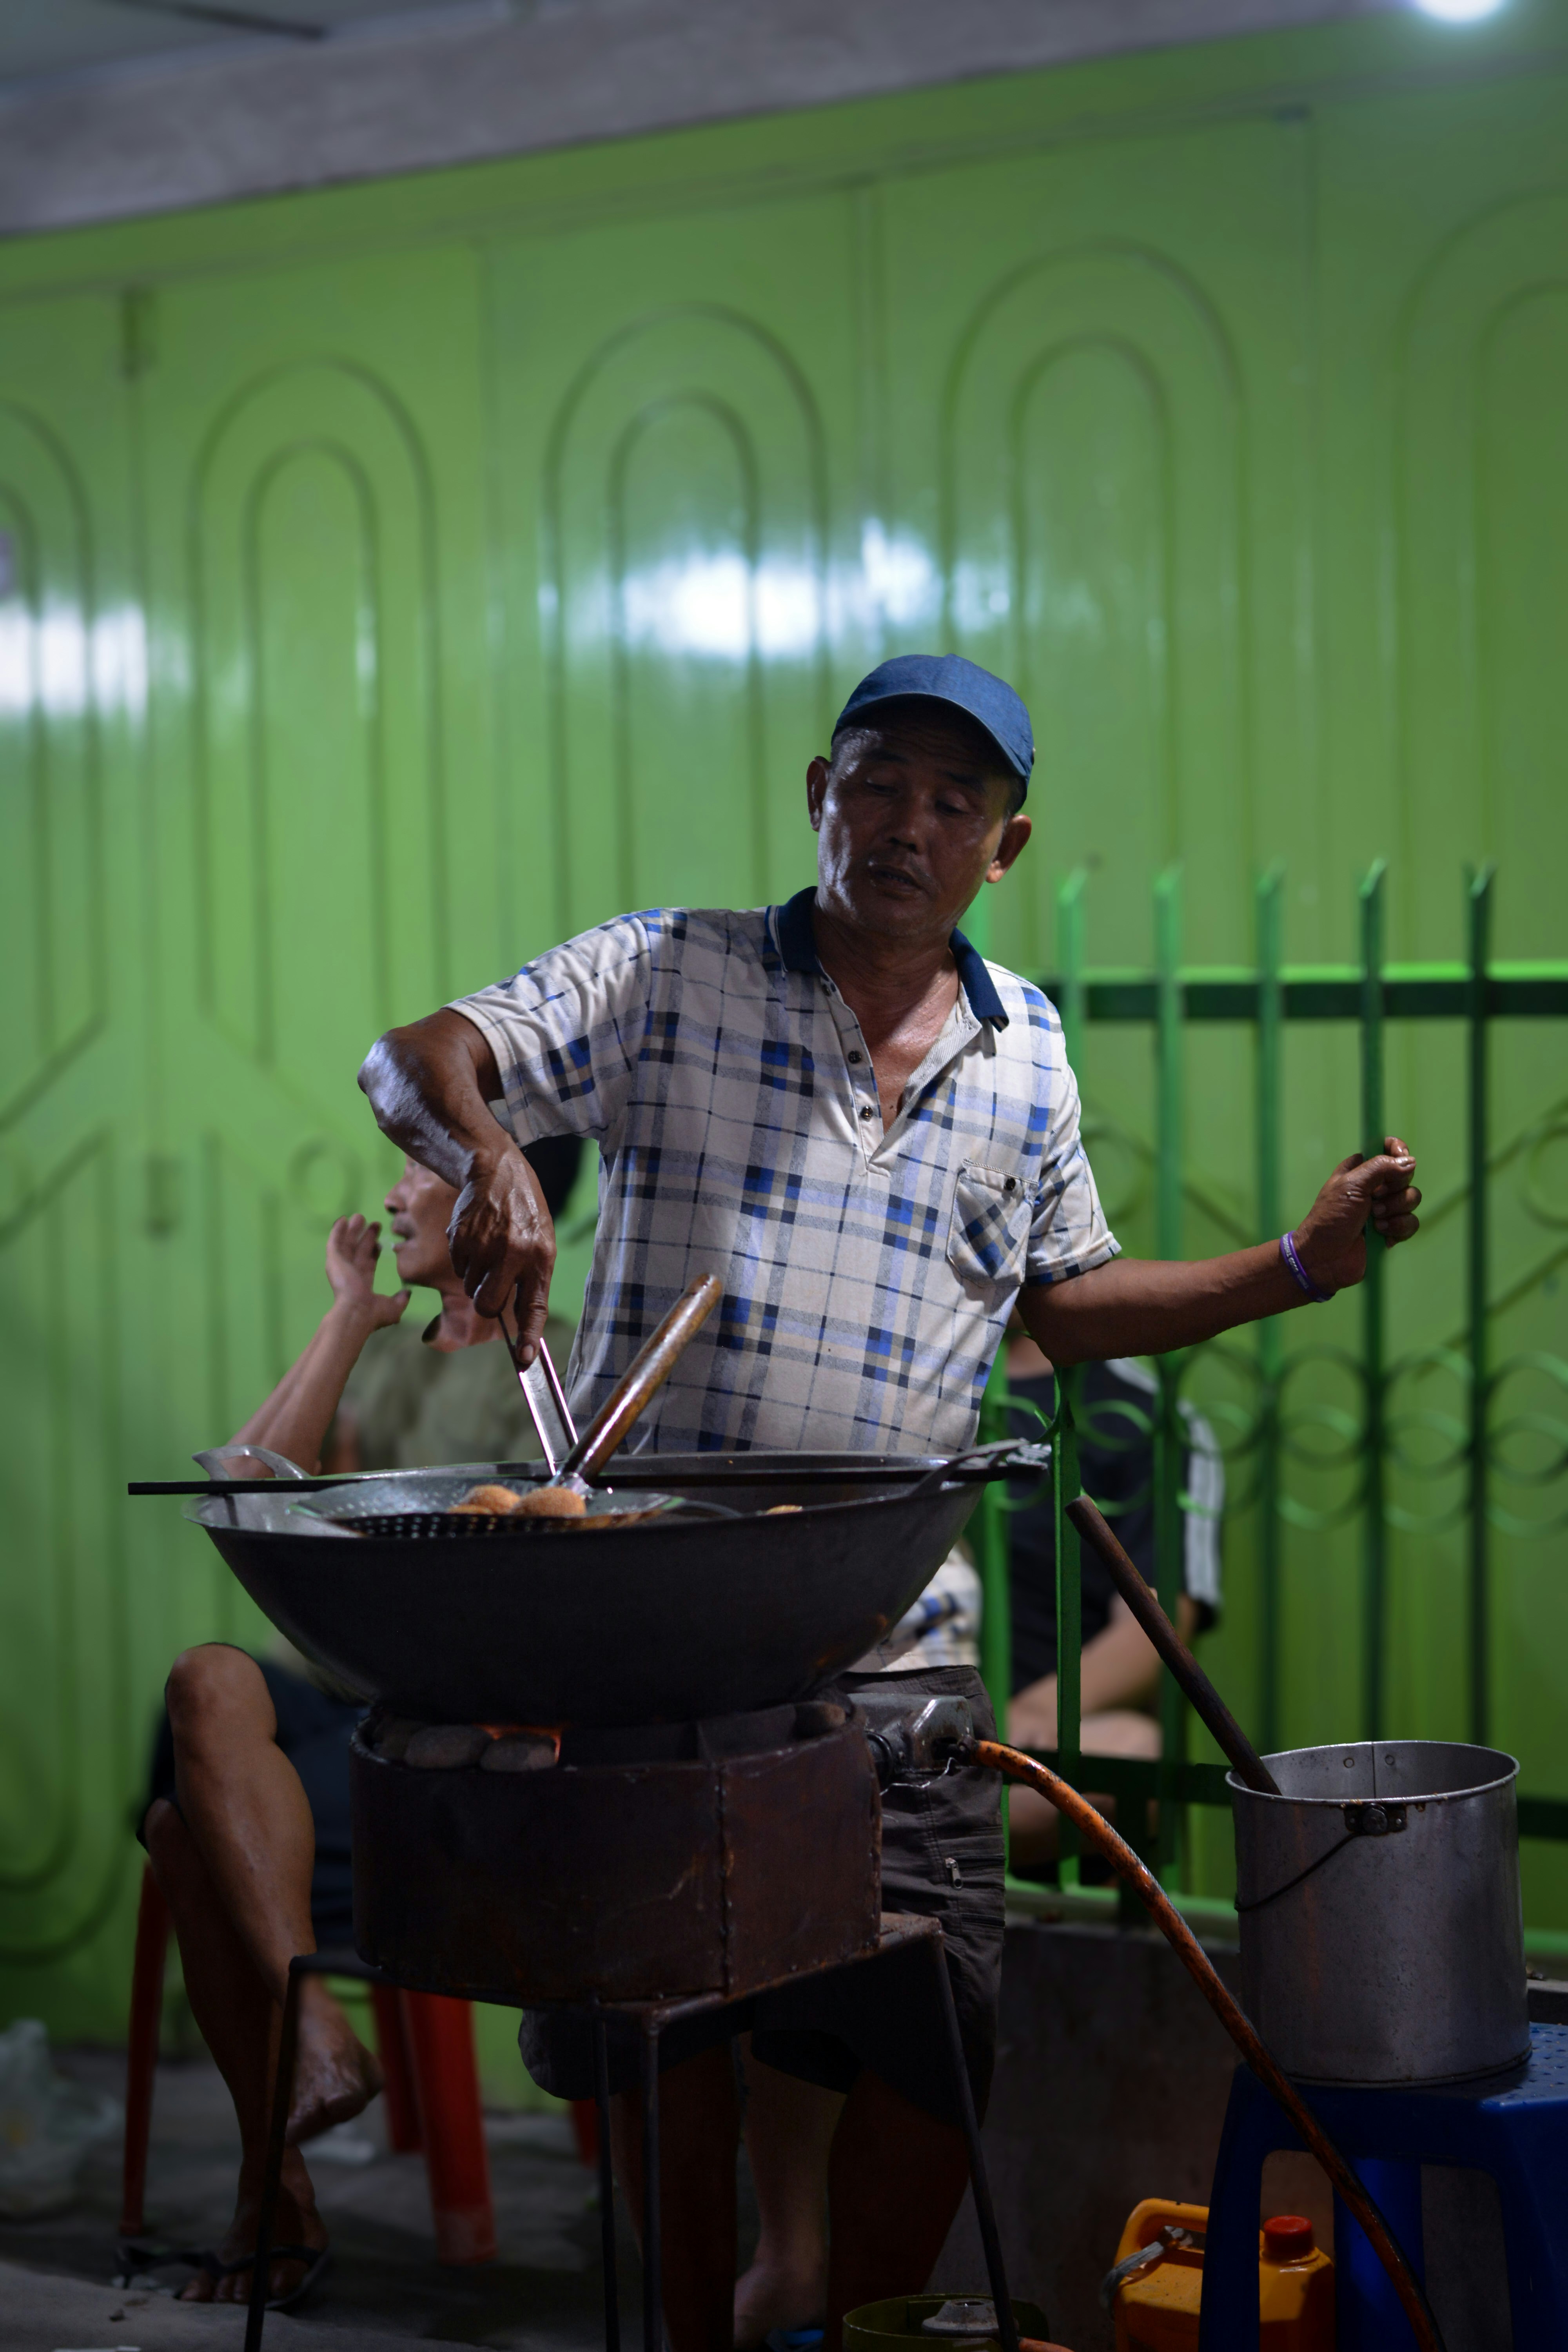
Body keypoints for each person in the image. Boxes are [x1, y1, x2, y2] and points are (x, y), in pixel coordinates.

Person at [358, 650, 1422, 2352]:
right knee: (667, 2040)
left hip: (890, 1648)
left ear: (1006, 847)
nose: (904, 824)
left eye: (952, 800)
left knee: (935, 2039)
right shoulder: (667, 972)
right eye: (874, 781)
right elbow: (409, 1059)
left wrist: (1295, 1266)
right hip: (657, 1639)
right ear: (815, 794)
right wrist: (490, 1153)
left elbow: (1062, 1309)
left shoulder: (1027, 1057)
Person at [140, 1140, 578, 2307]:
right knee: (204, 1684)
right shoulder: (392, 1364)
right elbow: (249, 1492)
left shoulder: (560, 1362)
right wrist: (346, 1321)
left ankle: (273, 2193)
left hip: (454, 1732)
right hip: (343, 1699)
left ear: (505, 1197)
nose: (391, 1196)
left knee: (186, 1833)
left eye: (419, 1170)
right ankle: (315, 2032)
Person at [1002, 1328, 1223, 1867]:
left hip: (1028, 1740)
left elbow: (1153, 1628)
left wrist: (1018, 1718)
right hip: (896, 1706)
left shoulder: (1143, 1416)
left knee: (1134, 1756)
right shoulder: (913, 1396)